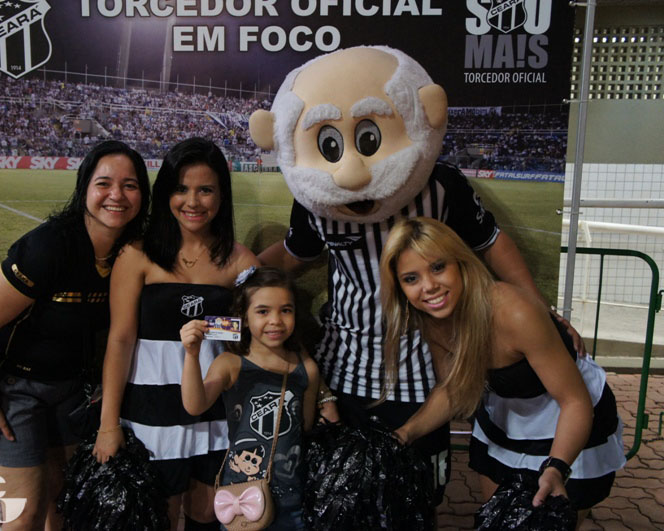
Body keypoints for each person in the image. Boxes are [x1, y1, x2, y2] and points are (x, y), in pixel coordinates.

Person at [250, 45, 585, 503]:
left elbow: (492, 244)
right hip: (343, 367)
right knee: (342, 493)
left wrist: (540, 310)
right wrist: (230, 275)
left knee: (418, 492)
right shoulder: (315, 197)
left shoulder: (440, 185)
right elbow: (292, 255)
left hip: (426, 368)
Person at [383, 217, 625, 527]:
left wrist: (556, 467)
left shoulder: (513, 311)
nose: (429, 287)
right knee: (496, 519)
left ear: (461, 264)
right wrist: (402, 435)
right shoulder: (431, 317)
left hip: (569, 415)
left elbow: (574, 401)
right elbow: (453, 389)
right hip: (509, 415)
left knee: (552, 520)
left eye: (438, 267)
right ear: (400, 286)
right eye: (411, 278)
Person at [0, 140, 150, 530]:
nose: (116, 195)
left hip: (68, 390)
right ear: (85, 189)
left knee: (63, 504)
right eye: (104, 183)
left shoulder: (130, 254)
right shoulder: (49, 246)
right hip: (10, 385)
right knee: (24, 512)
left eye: (130, 185)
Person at [93, 137, 259, 530]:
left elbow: (256, 337)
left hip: (216, 412)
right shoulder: (137, 255)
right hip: (151, 414)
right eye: (181, 189)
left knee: (206, 513)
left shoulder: (240, 261)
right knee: (159, 516)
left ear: (222, 195)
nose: (193, 201)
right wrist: (108, 422)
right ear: (166, 192)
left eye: (206, 190)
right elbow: (119, 341)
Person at [180, 266, 320, 530]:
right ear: (243, 317)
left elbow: (306, 427)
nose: (276, 320)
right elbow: (194, 404)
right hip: (240, 496)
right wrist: (191, 355)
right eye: (263, 311)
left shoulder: (307, 370)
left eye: (286, 310)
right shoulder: (230, 364)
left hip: (294, 498)